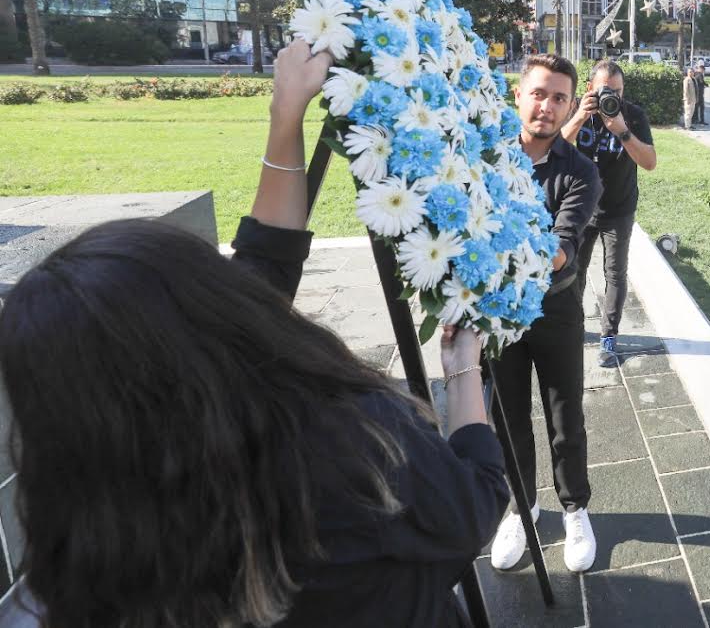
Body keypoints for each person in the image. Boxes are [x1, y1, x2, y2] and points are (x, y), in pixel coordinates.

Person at [0, 40, 509, 628]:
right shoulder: (347, 438)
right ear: (202, 312)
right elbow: (472, 506)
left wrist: (286, 113)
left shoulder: (86, 543)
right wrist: (464, 370)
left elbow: (264, 262)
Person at [489, 53, 604, 574]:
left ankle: (574, 507)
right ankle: (522, 508)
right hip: (498, 313)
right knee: (507, 418)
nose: (547, 105)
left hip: (555, 311)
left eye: (560, 97)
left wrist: (491, 230)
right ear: (519, 95)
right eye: (538, 93)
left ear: (570, 106)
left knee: (565, 419)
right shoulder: (485, 158)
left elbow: (561, 247)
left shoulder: (581, 173)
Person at [562, 59, 658, 368]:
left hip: (619, 208)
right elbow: (555, 147)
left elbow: (650, 162)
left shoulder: (632, 116)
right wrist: (579, 115)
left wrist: (623, 132)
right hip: (581, 206)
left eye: (617, 91)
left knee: (615, 273)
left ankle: (608, 337)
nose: (611, 98)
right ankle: (575, 327)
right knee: (574, 270)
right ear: (590, 88)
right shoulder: (579, 110)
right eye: (606, 91)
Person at [683, 66, 698, 130]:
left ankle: (690, 125)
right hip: (688, 100)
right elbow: (685, 90)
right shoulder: (686, 80)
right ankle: (687, 126)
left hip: (694, 99)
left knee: (691, 113)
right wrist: (687, 99)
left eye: (692, 72)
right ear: (687, 73)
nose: (691, 73)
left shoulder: (694, 79)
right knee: (688, 113)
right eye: (690, 72)